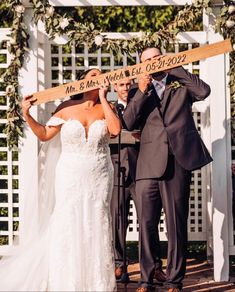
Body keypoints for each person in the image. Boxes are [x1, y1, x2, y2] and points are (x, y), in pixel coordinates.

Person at [0, 68, 121, 291]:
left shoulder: (107, 108)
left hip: (99, 172)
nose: (98, 79)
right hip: (70, 173)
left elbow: (115, 130)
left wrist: (104, 98)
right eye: (93, 76)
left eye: (102, 75)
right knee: (68, 220)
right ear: (82, 82)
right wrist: (27, 114)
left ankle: (96, 283)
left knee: (97, 219)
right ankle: (67, 281)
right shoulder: (66, 108)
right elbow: (45, 134)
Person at [122, 47, 212, 292]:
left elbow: (203, 91)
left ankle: (174, 281)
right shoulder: (136, 90)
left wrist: (175, 67)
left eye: (156, 58)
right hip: (148, 164)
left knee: (176, 224)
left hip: (177, 162)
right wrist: (141, 90)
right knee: (146, 224)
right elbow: (128, 122)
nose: (152, 63)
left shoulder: (180, 82)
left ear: (165, 58)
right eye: (146, 61)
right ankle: (146, 279)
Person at [110, 78, 166, 284]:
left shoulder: (142, 103)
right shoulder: (109, 108)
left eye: (128, 84)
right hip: (116, 171)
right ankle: (120, 265)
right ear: (115, 87)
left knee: (148, 221)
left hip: (142, 170)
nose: (125, 88)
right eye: (121, 85)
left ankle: (155, 267)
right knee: (117, 221)